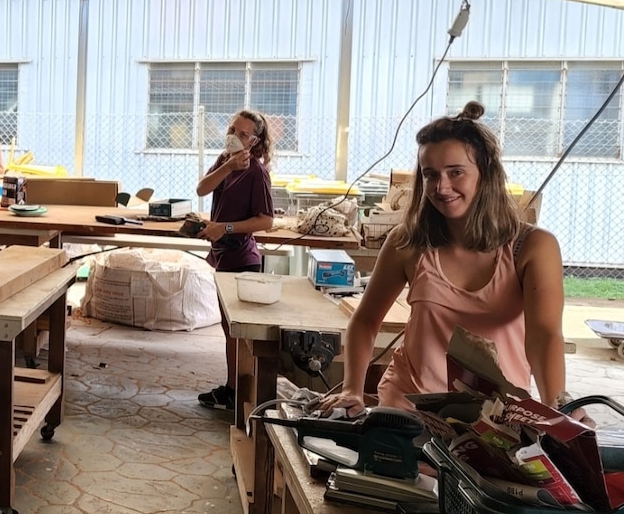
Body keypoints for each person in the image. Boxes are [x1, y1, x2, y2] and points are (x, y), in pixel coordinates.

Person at [313, 100, 573, 419]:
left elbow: (544, 335)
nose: (441, 187)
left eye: (456, 172)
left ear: (486, 173)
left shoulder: (533, 246)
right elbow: (365, 320)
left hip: (495, 416)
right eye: (430, 175)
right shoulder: (407, 242)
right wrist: (352, 388)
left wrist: (557, 410)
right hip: (408, 406)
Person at [195, 109, 275, 411]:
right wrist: (227, 167)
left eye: (243, 134)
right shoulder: (225, 160)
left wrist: (224, 227)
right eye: (232, 129)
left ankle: (238, 391)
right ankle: (233, 389)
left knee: (238, 335)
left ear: (254, 141)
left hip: (242, 259)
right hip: (222, 255)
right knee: (229, 332)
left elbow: (266, 221)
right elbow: (202, 188)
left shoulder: (256, 172)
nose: (235, 136)